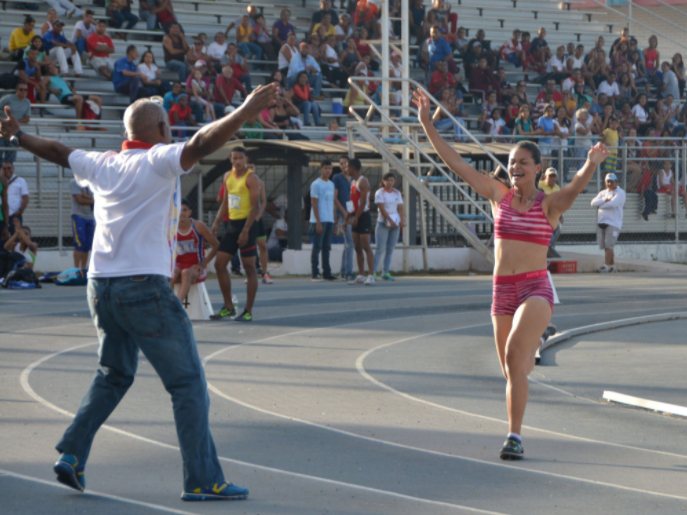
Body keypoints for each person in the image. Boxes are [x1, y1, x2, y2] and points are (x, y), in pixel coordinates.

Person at [0, 79, 277, 499]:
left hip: (100, 287)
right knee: (187, 383)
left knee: (113, 374)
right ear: (162, 129)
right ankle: (203, 479)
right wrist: (244, 112)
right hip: (143, 287)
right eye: (168, 126)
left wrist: (18, 134)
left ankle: (72, 453)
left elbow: (57, 152)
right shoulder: (160, 161)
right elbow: (202, 141)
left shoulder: (103, 163)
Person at [413, 87, 610, 460]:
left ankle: (514, 436)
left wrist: (591, 163)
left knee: (514, 350)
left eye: (523, 161)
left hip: (535, 287)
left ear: (538, 167)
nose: (515, 166)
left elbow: (574, 188)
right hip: (501, 291)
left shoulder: (548, 205)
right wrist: (426, 124)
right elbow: (456, 162)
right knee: (511, 369)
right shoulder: (497, 195)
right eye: (511, 161)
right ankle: (530, 350)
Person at [211, 147, 259, 322]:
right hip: (232, 224)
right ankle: (228, 306)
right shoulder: (227, 176)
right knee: (219, 264)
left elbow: (255, 206)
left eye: (240, 158)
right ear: (230, 159)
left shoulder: (252, 179)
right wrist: (216, 222)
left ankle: (247, 310)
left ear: (246, 159)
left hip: (248, 224)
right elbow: (225, 201)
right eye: (234, 158)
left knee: (249, 267)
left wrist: (246, 230)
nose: (237, 161)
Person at [171, 198, 219, 301]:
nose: (181, 213)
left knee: (186, 273)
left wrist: (203, 264)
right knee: (172, 274)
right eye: (179, 210)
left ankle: (177, 307)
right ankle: (167, 305)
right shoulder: (171, 227)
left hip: (196, 267)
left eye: (184, 210)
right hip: (178, 266)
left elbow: (216, 245)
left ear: (189, 212)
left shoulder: (198, 226)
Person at [45, 63, 103, 129]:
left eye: (54, 67)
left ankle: (97, 124)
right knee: (79, 98)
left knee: (97, 98)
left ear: (57, 68)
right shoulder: (48, 78)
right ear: (48, 71)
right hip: (65, 97)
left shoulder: (60, 78)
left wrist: (72, 89)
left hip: (72, 95)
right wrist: (51, 89)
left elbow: (67, 88)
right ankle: (79, 123)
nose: (52, 69)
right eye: (50, 68)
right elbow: (39, 86)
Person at [346, 158, 375, 285]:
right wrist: (348, 217)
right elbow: (352, 202)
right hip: (355, 215)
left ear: (352, 168)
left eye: (347, 166)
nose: (346, 169)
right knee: (357, 247)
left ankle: (371, 275)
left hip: (363, 216)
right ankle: (361, 275)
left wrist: (357, 217)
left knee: (366, 246)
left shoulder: (363, 181)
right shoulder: (353, 182)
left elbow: (363, 202)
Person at [591, 173, 625, 273]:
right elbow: (593, 203)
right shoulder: (602, 193)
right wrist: (604, 199)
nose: (609, 183)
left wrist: (600, 205)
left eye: (611, 181)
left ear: (616, 182)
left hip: (613, 223)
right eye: (607, 181)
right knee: (606, 246)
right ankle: (613, 266)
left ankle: (605, 266)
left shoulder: (620, 192)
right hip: (602, 222)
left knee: (609, 245)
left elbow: (613, 204)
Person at [309, 160, 338, 280]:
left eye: (330, 168)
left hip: (329, 219)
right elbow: (314, 204)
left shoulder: (331, 184)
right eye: (325, 168)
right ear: (321, 169)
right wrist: (318, 222)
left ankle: (327, 272)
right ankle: (315, 272)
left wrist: (335, 221)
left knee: (327, 247)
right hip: (319, 220)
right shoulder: (316, 184)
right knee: (317, 247)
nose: (328, 170)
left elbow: (333, 203)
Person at [373, 172, 404, 280]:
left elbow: (400, 208)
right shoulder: (380, 192)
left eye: (392, 180)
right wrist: (390, 220)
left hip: (395, 224)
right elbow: (382, 208)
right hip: (383, 223)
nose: (390, 182)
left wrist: (402, 221)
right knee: (379, 249)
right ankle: (373, 272)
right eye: (388, 180)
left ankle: (385, 272)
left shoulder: (397, 193)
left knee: (390, 249)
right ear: (383, 181)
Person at [333, 155, 354, 280]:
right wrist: (343, 212)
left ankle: (343, 270)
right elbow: (335, 198)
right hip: (343, 214)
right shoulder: (337, 178)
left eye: (346, 163)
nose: (344, 165)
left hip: (353, 213)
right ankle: (348, 271)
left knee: (348, 243)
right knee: (350, 242)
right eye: (341, 163)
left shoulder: (355, 178)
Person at [0, 87, 31, 164]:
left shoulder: (27, 102)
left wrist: (13, 122)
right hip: (2, 130)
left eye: (25, 89)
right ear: (16, 90)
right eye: (21, 89)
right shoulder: (7, 98)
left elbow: (27, 119)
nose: (23, 91)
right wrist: (3, 121)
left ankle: (8, 174)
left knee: (11, 157)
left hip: (15, 133)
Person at [70, 177, 94, 269]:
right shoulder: (75, 182)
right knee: (80, 243)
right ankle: (76, 269)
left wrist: (86, 196)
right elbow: (80, 200)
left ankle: (83, 269)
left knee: (87, 245)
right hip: (78, 216)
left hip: (90, 217)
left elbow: (97, 198)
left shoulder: (91, 183)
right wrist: (90, 199)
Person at [2, 162, 29, 233]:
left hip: (14, 215)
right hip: (1, 215)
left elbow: (25, 197)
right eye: (4, 168)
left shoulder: (20, 181)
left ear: (13, 169)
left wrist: (20, 210)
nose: (7, 170)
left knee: (16, 237)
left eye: (9, 168)